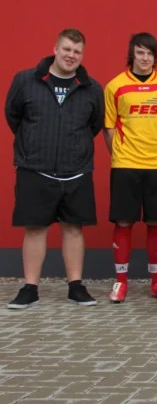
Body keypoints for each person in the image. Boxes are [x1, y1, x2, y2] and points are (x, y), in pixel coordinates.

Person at [5, 29, 104, 309]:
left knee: (73, 228)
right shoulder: (26, 80)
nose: (71, 55)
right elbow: (13, 115)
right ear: (55, 49)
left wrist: (74, 148)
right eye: (67, 49)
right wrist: (34, 144)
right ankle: (30, 288)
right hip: (35, 169)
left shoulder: (91, 87)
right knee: (35, 229)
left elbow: (95, 124)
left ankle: (76, 287)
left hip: (76, 171)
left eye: (77, 51)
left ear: (82, 55)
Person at [104, 32, 157, 302]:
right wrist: (121, 154)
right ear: (132, 54)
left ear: (155, 57)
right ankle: (121, 282)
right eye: (140, 52)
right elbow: (109, 127)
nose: (145, 58)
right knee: (124, 221)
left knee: (155, 222)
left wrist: (155, 150)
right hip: (125, 164)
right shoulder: (115, 86)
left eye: (149, 53)